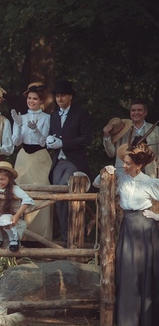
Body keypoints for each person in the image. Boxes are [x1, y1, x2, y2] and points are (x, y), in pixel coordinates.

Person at [95, 144, 159, 326]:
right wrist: (105, 171)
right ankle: (127, 321)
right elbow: (97, 183)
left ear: (139, 166)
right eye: (124, 162)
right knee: (127, 270)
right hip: (127, 227)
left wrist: (156, 216)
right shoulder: (121, 179)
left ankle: (146, 322)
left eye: (128, 164)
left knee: (142, 272)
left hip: (144, 229)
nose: (124, 166)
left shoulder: (149, 182)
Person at [46, 80, 92, 245]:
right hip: (58, 161)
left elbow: (86, 139)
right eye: (57, 96)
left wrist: (63, 143)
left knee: (64, 191)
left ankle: (75, 237)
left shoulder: (81, 113)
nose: (60, 98)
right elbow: (52, 133)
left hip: (74, 161)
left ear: (70, 96)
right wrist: (50, 140)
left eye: (63, 95)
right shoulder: (53, 115)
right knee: (58, 198)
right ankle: (66, 237)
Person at [11, 82, 52, 241]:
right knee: (21, 193)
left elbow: (44, 142)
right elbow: (16, 142)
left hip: (40, 157)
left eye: (35, 99)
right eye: (29, 98)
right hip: (24, 156)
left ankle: (41, 237)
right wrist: (18, 125)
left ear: (41, 101)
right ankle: (21, 236)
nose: (31, 101)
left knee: (41, 194)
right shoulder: (21, 117)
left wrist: (36, 130)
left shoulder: (47, 118)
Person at [103, 100, 158, 177]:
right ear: (130, 112)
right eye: (133, 110)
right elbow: (111, 153)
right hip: (124, 173)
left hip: (148, 173)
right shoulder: (121, 130)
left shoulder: (156, 130)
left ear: (145, 112)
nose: (136, 113)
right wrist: (107, 135)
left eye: (139, 110)